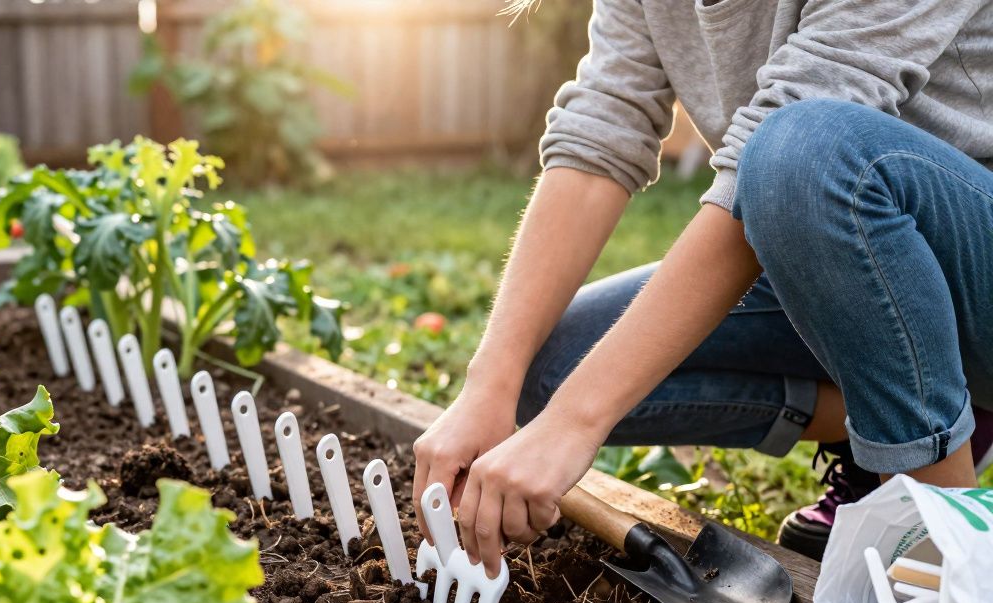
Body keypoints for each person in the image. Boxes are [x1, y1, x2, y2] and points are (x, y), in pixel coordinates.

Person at [412, 0, 993, 571]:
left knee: (804, 149)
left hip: (971, 262)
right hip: (839, 258)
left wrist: (574, 423)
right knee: (550, 371)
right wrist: (489, 385)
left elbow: (794, 146)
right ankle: (931, 409)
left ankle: (948, 563)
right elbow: (602, 129)